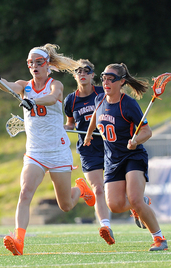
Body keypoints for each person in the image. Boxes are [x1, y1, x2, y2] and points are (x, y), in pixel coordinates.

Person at [0, 43, 95, 256]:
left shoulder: (56, 85)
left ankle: (81, 189)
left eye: (38, 63)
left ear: (47, 66)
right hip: (35, 153)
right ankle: (19, 241)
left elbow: (52, 98)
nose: (34, 66)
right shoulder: (24, 86)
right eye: (30, 63)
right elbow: (8, 86)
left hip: (57, 151)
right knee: (25, 193)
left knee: (65, 205)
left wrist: (32, 101)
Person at [83, 63, 168, 251]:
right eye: (104, 77)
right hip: (112, 160)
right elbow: (95, 116)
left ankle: (159, 239)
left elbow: (147, 131)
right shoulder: (99, 99)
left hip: (132, 156)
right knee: (114, 205)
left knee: (135, 199)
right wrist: (89, 134)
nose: (106, 82)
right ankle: (139, 204)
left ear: (121, 82)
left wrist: (136, 140)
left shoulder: (128, 104)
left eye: (110, 78)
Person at [64, 59, 114, 245]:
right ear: (75, 75)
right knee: (99, 188)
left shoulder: (103, 92)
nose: (82, 73)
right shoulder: (71, 99)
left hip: (110, 145)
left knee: (114, 190)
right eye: (78, 71)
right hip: (88, 148)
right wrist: (64, 127)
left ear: (93, 75)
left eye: (87, 70)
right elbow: (70, 122)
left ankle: (139, 203)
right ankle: (105, 226)